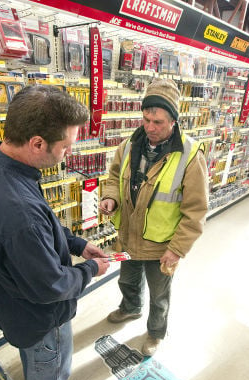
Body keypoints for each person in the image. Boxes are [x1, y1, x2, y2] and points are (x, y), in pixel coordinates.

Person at [0, 86, 110, 380]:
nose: (69, 152)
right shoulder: (18, 212)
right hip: (39, 314)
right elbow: (52, 285)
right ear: (37, 144)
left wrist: (75, 243)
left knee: (34, 356)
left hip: (12, 302)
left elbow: (38, 226)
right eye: (66, 146)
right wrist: (91, 268)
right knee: (50, 364)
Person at [99, 78, 208, 356]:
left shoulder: (190, 156)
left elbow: (196, 211)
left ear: (173, 120)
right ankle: (131, 308)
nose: (150, 127)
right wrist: (110, 196)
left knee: (160, 296)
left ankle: (156, 333)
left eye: (158, 121)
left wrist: (177, 249)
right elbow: (113, 177)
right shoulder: (128, 145)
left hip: (162, 245)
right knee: (127, 281)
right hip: (128, 237)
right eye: (146, 118)